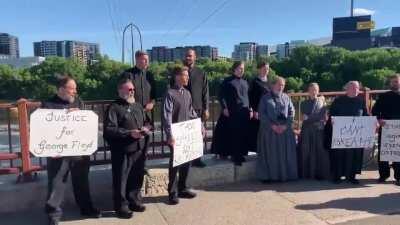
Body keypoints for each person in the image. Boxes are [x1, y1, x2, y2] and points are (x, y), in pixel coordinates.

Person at [42, 75, 100, 225]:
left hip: (78, 152)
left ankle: (86, 208)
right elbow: (42, 130)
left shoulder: (79, 102)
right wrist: (49, 150)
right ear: (61, 89)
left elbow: (87, 123)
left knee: (82, 182)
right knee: (56, 185)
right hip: (58, 154)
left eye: (75, 88)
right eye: (72, 88)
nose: (75, 91)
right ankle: (53, 216)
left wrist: (79, 114)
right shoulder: (47, 104)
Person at [104, 78, 152, 219]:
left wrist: (146, 128)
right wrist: (129, 133)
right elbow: (109, 130)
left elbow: (148, 122)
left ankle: (134, 201)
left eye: (133, 89)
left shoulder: (137, 106)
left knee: (136, 177)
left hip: (138, 148)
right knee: (121, 179)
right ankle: (121, 207)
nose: (132, 92)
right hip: (122, 149)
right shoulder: (113, 107)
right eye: (129, 89)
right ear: (120, 90)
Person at [162, 66, 201, 205]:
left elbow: (191, 112)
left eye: (188, 75)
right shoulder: (170, 93)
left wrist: (199, 124)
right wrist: (169, 135)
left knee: (187, 161)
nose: (188, 78)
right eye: (185, 75)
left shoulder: (187, 93)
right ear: (177, 76)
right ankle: (172, 193)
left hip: (187, 134)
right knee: (175, 163)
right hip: (175, 135)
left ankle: (182, 188)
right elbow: (166, 116)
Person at [119, 50, 156, 176]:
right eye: (144, 59)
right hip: (133, 115)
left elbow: (155, 93)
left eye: (147, 59)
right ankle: (131, 167)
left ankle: (142, 165)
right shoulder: (128, 74)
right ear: (137, 59)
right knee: (135, 140)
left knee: (147, 139)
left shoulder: (150, 75)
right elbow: (123, 94)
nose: (146, 62)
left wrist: (152, 102)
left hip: (147, 114)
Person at [326, 81, 368, 184]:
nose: (355, 90)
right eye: (353, 88)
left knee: (354, 155)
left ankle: (351, 176)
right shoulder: (338, 101)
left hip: (355, 135)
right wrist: (332, 121)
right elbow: (331, 115)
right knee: (339, 155)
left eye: (357, 88)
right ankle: (337, 176)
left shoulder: (361, 101)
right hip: (341, 134)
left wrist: (373, 123)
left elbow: (366, 115)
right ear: (347, 89)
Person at [256, 76, 298, 182]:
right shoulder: (265, 98)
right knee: (270, 155)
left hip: (284, 130)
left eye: (283, 85)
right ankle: (268, 177)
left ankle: (286, 175)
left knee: (286, 154)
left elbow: (292, 112)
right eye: (279, 84)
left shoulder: (286, 97)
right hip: (269, 130)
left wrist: (286, 125)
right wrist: (272, 126)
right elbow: (262, 114)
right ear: (273, 85)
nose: (281, 87)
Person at [212, 61, 253, 166]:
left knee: (243, 135)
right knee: (234, 135)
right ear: (234, 69)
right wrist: (224, 108)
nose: (242, 70)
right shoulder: (227, 81)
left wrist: (251, 109)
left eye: (243, 68)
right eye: (239, 68)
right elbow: (221, 96)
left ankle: (241, 154)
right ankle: (235, 156)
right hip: (232, 112)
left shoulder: (245, 82)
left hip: (244, 112)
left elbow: (249, 97)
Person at [372, 74, 400, 186]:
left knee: (398, 153)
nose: (395, 83)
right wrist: (379, 120)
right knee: (383, 154)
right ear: (390, 83)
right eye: (393, 82)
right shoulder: (383, 96)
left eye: (397, 81)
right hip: (385, 128)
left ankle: (399, 177)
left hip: (399, 130)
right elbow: (374, 111)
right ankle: (383, 175)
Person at [183, 49, 209, 168]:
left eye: (190, 56)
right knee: (184, 136)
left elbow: (205, 92)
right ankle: (185, 161)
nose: (188, 58)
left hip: (198, 108)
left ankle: (197, 160)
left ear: (195, 57)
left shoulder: (201, 72)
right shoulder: (180, 72)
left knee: (198, 136)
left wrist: (206, 108)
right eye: (187, 56)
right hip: (183, 109)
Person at [298, 83, 330, 180]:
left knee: (319, 151)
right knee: (306, 151)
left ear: (318, 91)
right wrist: (314, 118)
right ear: (308, 91)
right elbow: (305, 117)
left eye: (315, 89)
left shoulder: (322, 103)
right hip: (307, 130)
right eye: (311, 89)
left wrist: (310, 117)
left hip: (318, 130)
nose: (313, 92)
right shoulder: (303, 103)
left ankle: (319, 174)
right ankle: (306, 174)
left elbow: (321, 117)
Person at [248, 61, 270, 152]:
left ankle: (265, 149)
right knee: (256, 132)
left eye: (267, 69)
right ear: (259, 69)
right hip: (257, 111)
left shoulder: (269, 82)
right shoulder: (254, 81)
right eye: (264, 68)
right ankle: (256, 150)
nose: (266, 70)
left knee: (266, 131)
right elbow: (249, 96)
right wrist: (252, 109)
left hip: (267, 111)